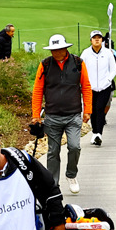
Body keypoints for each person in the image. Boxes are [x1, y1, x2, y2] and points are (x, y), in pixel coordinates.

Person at [30, 34, 92, 194]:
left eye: (58, 49)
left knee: (74, 147)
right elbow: (37, 90)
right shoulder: (45, 65)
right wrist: (36, 114)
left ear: (65, 49)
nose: (56, 52)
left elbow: (86, 86)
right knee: (52, 151)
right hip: (52, 116)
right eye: (53, 50)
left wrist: (88, 110)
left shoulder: (78, 63)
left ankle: (71, 175)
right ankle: (53, 185)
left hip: (73, 115)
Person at [80, 29, 116, 147]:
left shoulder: (108, 53)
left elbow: (113, 70)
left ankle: (98, 134)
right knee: (93, 111)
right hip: (89, 87)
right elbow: (81, 69)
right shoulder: (85, 53)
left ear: (102, 40)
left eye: (99, 38)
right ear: (91, 40)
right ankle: (94, 132)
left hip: (104, 86)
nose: (97, 39)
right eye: (94, 38)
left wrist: (108, 80)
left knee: (100, 109)